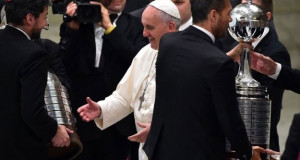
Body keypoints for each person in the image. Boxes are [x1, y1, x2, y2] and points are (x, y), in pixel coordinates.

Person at [143, 0, 263, 159]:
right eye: (228, 14)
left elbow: (192, 80)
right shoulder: (218, 63)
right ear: (213, 15)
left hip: (162, 151)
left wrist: (226, 57)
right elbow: (230, 120)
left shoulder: (168, 42)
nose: (230, 20)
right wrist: (248, 152)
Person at [77, 0, 181, 160]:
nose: (144, 33)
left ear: (171, 27)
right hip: (145, 148)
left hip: (174, 147)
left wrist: (158, 130)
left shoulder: (189, 57)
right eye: (144, 26)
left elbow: (190, 110)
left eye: (150, 27)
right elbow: (124, 97)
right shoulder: (145, 53)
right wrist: (102, 109)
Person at [59, 0, 148, 159]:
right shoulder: (79, 22)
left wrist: (110, 29)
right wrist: (71, 31)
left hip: (119, 120)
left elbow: (136, 61)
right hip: (83, 114)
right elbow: (65, 65)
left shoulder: (137, 25)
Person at [0, 0, 72, 159]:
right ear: (29, 19)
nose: (46, 23)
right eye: (45, 17)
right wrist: (54, 130)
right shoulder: (34, 54)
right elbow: (31, 110)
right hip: (18, 147)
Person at [239, 0, 291, 152]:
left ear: (267, 16)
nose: (244, 14)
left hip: (260, 142)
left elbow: (268, 107)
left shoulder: (275, 52)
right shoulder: (234, 45)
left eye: (252, 8)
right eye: (242, 7)